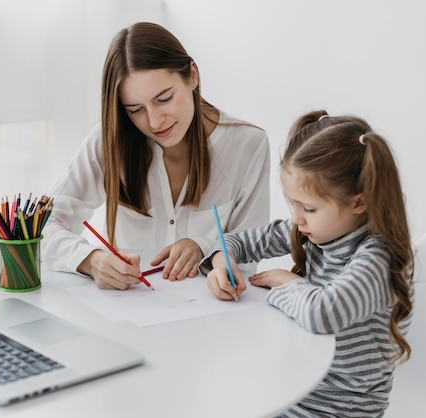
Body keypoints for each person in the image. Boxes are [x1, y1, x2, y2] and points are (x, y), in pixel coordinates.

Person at [201, 109, 414, 417]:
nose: (297, 218)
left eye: (309, 208)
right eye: (293, 204)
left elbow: (323, 313)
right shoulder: (310, 231)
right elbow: (235, 241)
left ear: (359, 201)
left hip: (338, 411)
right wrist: (222, 262)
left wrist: (288, 283)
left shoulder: (379, 259)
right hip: (292, 395)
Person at [41, 22, 270, 290]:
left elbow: (247, 254)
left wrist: (204, 248)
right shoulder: (108, 141)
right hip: (126, 313)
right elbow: (42, 227)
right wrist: (91, 260)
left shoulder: (248, 145)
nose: (155, 121)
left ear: (192, 76)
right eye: (136, 109)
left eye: (164, 99)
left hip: (213, 316)